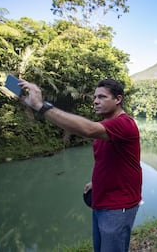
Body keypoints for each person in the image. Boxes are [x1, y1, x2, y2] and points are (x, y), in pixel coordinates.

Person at [18, 78, 142, 252]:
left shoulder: (124, 124)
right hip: (101, 201)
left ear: (118, 99)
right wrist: (96, 182)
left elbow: (86, 129)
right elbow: (113, 161)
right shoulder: (105, 127)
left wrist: (40, 105)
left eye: (102, 97)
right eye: (94, 97)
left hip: (118, 206)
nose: (95, 101)